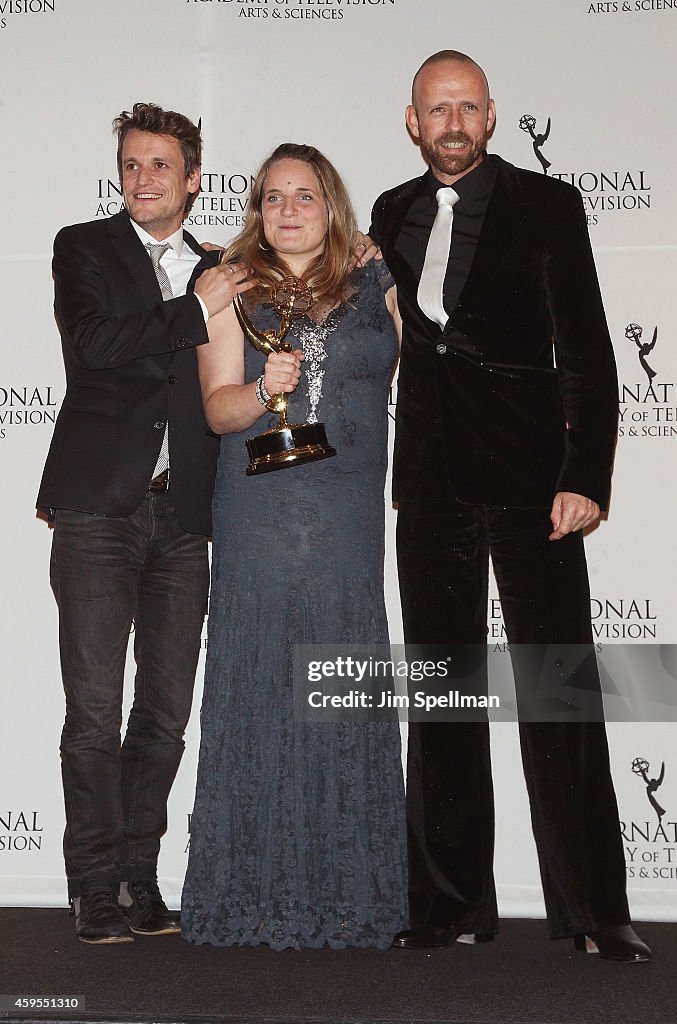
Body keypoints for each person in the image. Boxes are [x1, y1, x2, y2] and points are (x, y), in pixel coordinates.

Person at [370, 51, 651, 962]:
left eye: (465, 108)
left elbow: (588, 347)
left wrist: (586, 476)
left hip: (534, 479)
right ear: (411, 121)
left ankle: (593, 911)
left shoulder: (547, 204)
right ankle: (451, 904)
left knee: (556, 688)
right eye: (433, 109)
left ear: (490, 117)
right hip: (434, 480)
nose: (450, 124)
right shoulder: (389, 212)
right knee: (442, 694)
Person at [181, 143, 408, 950]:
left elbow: (414, 378)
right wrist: (260, 389)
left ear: (331, 205)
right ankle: (248, 893)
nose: (286, 209)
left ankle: (353, 892)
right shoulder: (227, 288)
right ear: (256, 210)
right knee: (261, 680)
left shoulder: (378, 282)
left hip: (347, 515)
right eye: (272, 196)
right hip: (261, 514)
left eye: (303, 195)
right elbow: (216, 410)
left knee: (340, 676)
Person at [37, 102, 252, 944]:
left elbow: (266, 347)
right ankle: (93, 887)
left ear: (192, 178)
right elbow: (90, 342)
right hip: (96, 507)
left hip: (185, 518)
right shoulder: (82, 247)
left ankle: (139, 876)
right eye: (131, 163)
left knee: (163, 713)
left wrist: (365, 258)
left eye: (160, 164)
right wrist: (193, 308)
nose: (143, 178)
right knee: (93, 712)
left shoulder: (220, 268)